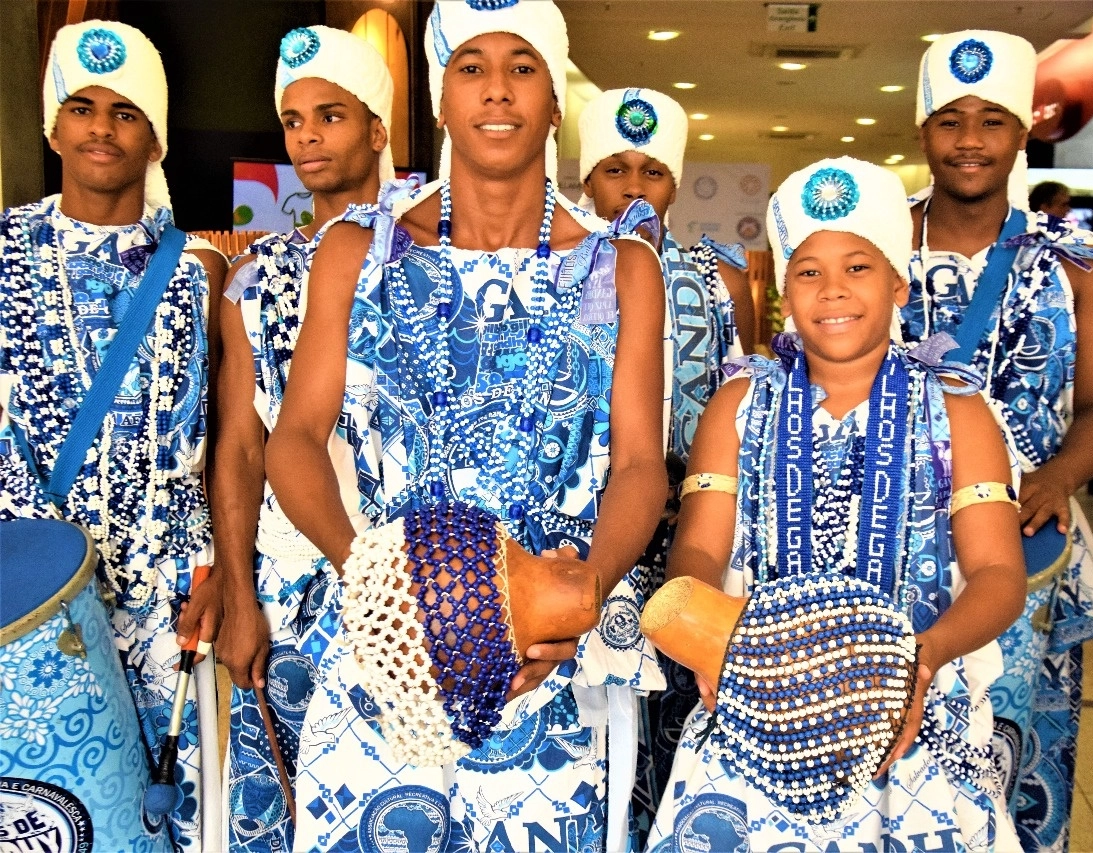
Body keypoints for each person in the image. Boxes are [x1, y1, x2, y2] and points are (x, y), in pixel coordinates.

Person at [264, 2, 668, 851]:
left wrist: (577, 591)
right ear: (440, 100)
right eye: (470, 67)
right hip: (385, 650)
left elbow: (638, 465)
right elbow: (293, 438)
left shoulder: (621, 266)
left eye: (521, 67)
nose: (496, 91)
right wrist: (377, 584)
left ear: (555, 99)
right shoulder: (355, 250)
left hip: (547, 657)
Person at [647, 155, 1026, 851]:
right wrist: (707, 636)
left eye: (857, 266)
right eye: (807, 270)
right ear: (783, 291)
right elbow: (698, 546)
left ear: (897, 281)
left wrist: (922, 656)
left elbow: (999, 576)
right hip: (756, 706)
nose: (832, 290)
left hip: (911, 722)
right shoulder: (738, 405)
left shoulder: (956, 411)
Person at [0, 20, 226, 849]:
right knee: (42, 808)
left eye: (126, 111)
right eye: (83, 106)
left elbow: (212, 440)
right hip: (30, 601)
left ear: (157, 136)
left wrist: (215, 572)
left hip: (169, 599)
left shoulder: (201, 269)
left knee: (164, 814)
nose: (102, 126)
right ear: (53, 124)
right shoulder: (4, 252)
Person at [901, 30, 1093, 850]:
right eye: (949, 119)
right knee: (897, 768)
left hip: (1025, 548)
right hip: (889, 546)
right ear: (922, 133)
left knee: (1011, 766)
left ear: (1023, 133)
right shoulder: (873, 244)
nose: (969, 139)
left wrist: (1055, 476)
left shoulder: (1071, 266)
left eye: (990, 120)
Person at [211, 25, 394, 852]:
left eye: (331, 115)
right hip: (288, 589)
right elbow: (242, 444)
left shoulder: (426, 255)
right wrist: (240, 593)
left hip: (400, 577)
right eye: (293, 121)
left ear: (378, 128)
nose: (308, 137)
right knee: (283, 818)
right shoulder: (256, 272)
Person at [577, 86, 754, 833]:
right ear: (586, 180)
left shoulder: (720, 276)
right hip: (595, 534)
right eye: (614, 170)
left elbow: (741, 395)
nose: (633, 189)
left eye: (651, 172)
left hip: (688, 535)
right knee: (601, 727)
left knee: (681, 709)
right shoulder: (566, 266)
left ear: (675, 183)